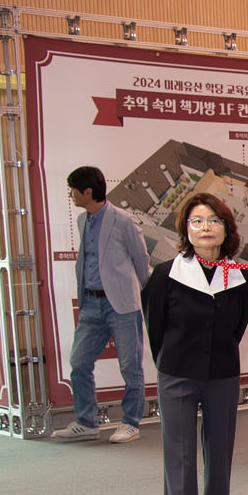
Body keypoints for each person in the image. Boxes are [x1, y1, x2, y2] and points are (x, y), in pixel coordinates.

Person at [142, 194, 248, 495]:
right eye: (197, 221)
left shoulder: (243, 278)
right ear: (185, 229)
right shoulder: (165, 275)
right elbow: (155, 328)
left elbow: (236, 329)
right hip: (177, 374)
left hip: (222, 374)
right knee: (179, 457)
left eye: (213, 220)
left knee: (219, 457)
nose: (205, 227)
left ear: (227, 229)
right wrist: (171, 363)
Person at [53, 165, 151, 443]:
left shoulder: (124, 220)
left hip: (121, 305)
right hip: (90, 304)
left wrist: (148, 294)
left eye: (73, 190)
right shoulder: (82, 221)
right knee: (79, 362)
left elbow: (141, 259)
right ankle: (86, 422)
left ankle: (130, 422)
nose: (71, 195)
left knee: (130, 366)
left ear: (88, 192)